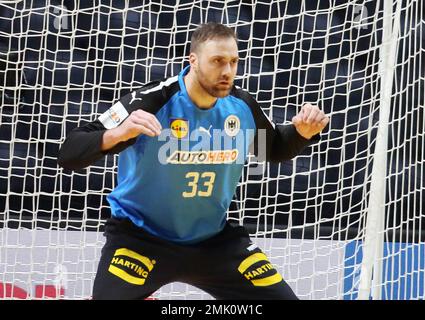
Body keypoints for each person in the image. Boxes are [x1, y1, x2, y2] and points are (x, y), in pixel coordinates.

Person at [57, 22, 329, 300]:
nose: (227, 72)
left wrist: (302, 133)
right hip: (140, 238)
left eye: (234, 62)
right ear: (193, 61)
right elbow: (69, 151)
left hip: (214, 241)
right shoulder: (153, 100)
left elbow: (272, 149)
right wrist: (118, 134)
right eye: (217, 61)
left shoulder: (242, 107)